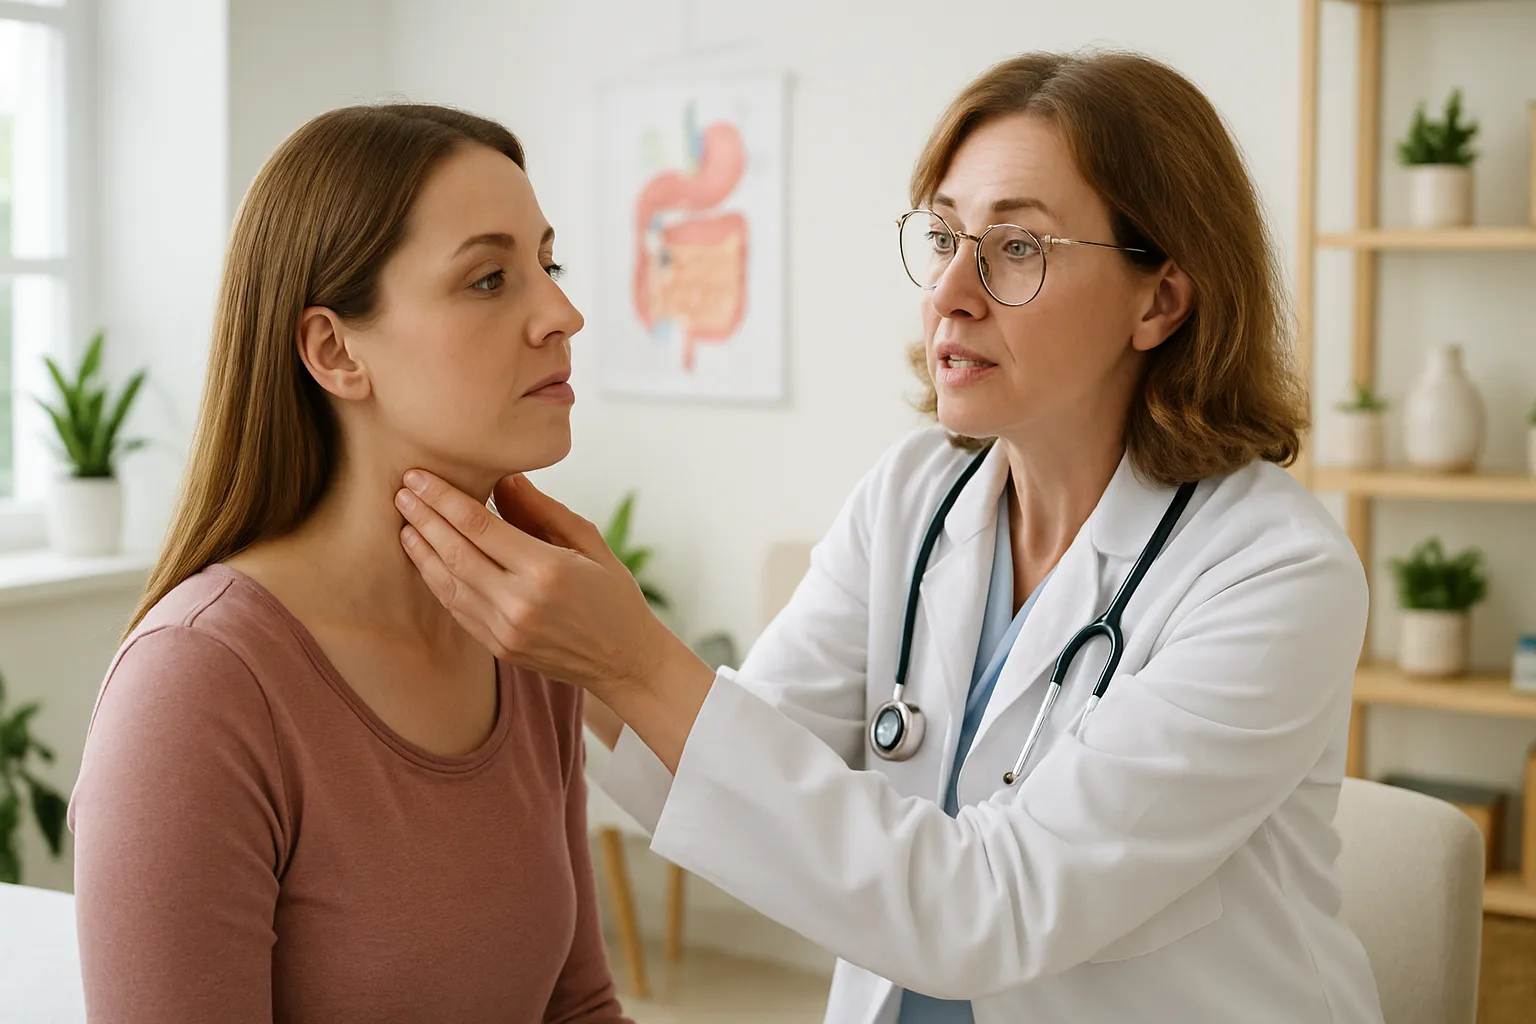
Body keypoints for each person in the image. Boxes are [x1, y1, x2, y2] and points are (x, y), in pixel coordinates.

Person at [394, 51, 1386, 1023]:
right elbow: (751, 757)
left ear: (1161, 298)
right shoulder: (918, 496)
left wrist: (626, 659)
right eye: (945, 236)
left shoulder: (1274, 574)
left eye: (1019, 247)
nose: (951, 291)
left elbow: (990, 909)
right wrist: (587, 650)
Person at [68, 104, 630, 1023]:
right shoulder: (197, 687)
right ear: (334, 351)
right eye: (491, 279)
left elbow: (576, 1006)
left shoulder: (524, 630)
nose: (562, 313)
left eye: (548, 264)